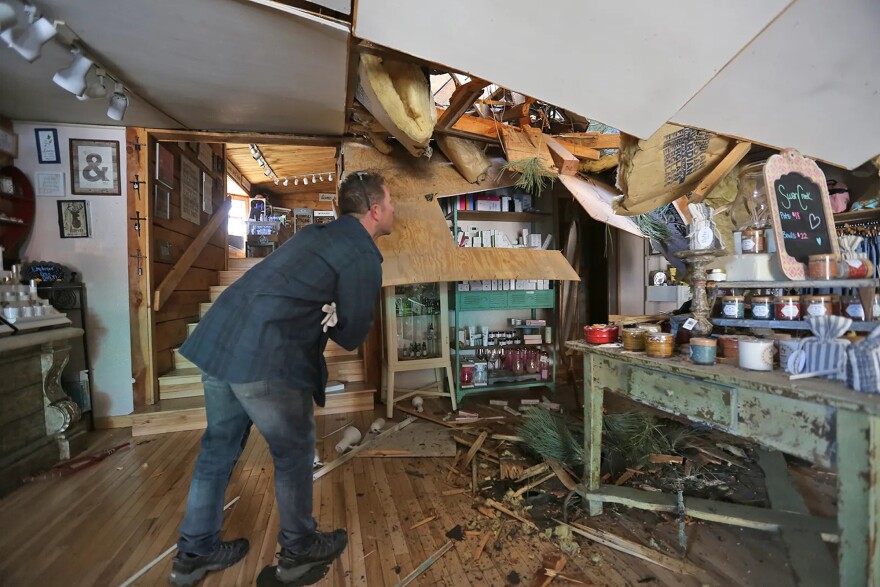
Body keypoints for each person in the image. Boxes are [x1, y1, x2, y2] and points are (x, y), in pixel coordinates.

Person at [168, 172, 394, 586]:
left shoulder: (314, 236)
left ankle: (193, 555)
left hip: (220, 341)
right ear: (375, 210)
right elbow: (351, 335)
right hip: (266, 356)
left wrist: (325, 309)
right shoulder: (362, 253)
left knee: (217, 451)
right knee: (292, 454)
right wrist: (333, 317)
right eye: (391, 202)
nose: (394, 210)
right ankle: (298, 550)